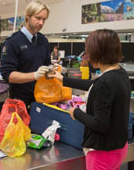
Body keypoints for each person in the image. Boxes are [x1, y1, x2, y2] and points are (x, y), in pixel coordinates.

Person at [49, 29, 130, 170]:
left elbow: (100, 123)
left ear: (98, 52)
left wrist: (76, 112)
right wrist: (62, 78)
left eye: (88, 52)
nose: (87, 56)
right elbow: (94, 85)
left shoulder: (106, 82)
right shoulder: (119, 73)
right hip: (118, 147)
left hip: (103, 152)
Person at [0, 0, 51, 108]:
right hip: (20, 102)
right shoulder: (12, 42)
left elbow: (47, 64)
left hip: (42, 99)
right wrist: (35, 75)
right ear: (27, 16)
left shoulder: (43, 40)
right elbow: (8, 75)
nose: (41, 23)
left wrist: (51, 69)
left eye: (44, 20)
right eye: (38, 18)